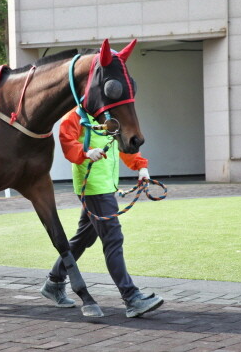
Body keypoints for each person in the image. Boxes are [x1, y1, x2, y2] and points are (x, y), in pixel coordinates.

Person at [40, 108, 164, 318]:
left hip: (106, 186)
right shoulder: (75, 116)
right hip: (93, 188)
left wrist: (140, 166)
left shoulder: (108, 116)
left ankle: (54, 282)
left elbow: (122, 144)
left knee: (82, 239)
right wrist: (86, 153)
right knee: (113, 239)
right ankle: (131, 298)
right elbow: (67, 141)